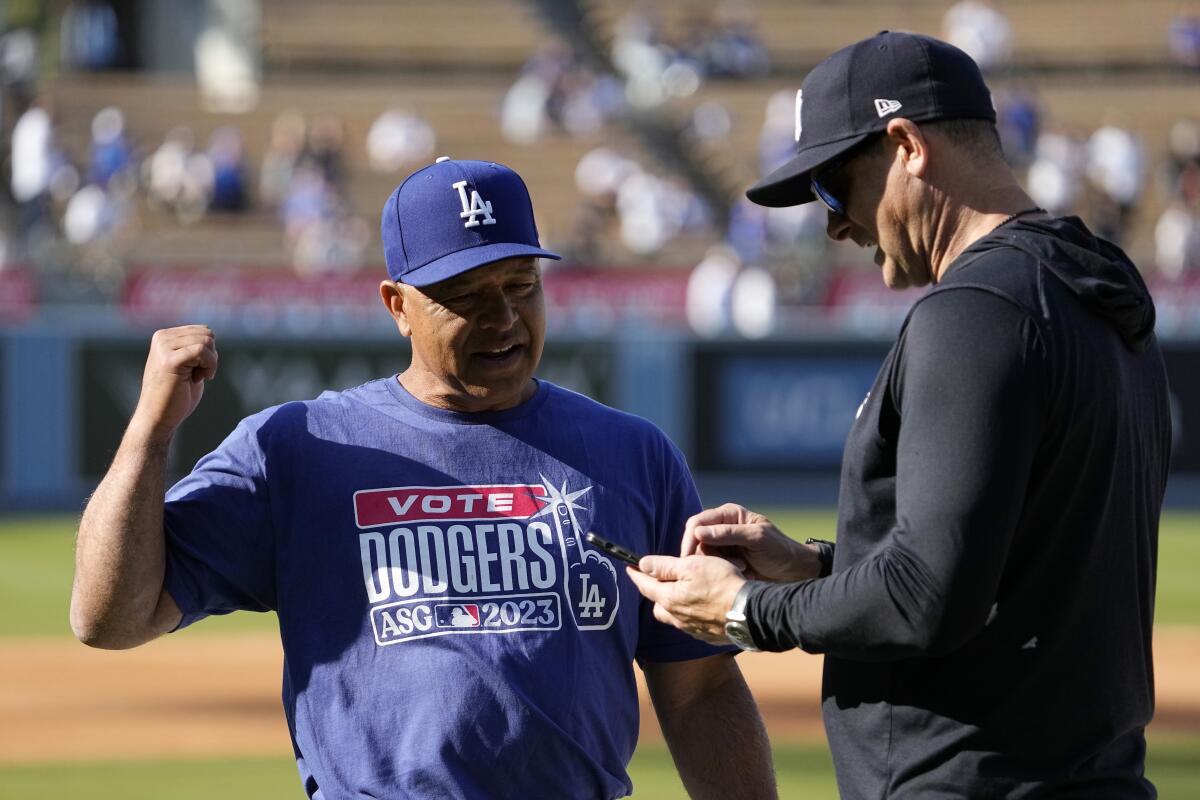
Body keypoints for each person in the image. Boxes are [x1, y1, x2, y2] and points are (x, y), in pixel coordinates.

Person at [70, 157, 776, 799]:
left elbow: (700, 687)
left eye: (521, 285)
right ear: (397, 304)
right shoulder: (298, 449)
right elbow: (108, 619)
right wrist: (150, 434)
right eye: (466, 295)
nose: (503, 317)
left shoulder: (634, 454)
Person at [628, 31, 1172, 799]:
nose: (834, 226)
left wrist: (745, 608)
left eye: (832, 188)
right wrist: (817, 564)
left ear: (906, 145)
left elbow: (927, 597)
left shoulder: (974, 310)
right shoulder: (1093, 297)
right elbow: (991, 575)